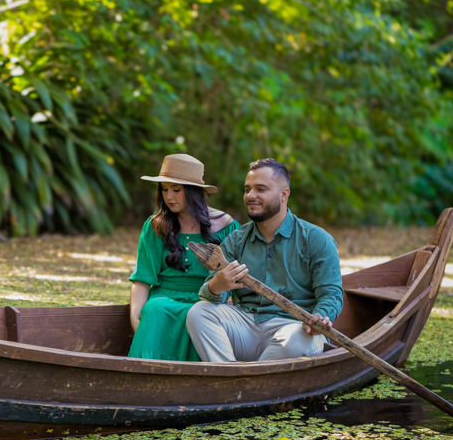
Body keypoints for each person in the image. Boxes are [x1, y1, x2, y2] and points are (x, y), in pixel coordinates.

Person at [185, 158, 343, 363]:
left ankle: (247, 383)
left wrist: (321, 316)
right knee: (199, 313)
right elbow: (212, 297)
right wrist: (217, 286)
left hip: (293, 328)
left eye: (260, 189)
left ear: (284, 194)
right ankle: (228, 376)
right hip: (245, 325)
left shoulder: (316, 239)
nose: (251, 196)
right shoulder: (235, 240)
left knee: (300, 338)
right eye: (247, 189)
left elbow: (332, 294)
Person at [128, 154, 239, 361]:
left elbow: (238, 276)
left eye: (176, 190)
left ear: (194, 192)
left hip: (207, 299)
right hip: (163, 299)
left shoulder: (226, 226)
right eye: (164, 188)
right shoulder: (155, 226)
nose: (169, 196)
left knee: (199, 315)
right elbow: (142, 279)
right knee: (155, 308)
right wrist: (135, 316)